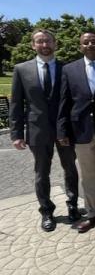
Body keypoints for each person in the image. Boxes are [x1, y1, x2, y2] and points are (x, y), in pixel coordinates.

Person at [9, 29, 79, 232]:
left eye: (48, 41)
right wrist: (16, 134)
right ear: (33, 45)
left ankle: (73, 204)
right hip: (37, 129)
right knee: (41, 172)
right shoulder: (21, 69)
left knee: (70, 168)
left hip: (63, 129)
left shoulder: (66, 68)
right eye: (40, 41)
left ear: (55, 44)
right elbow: (16, 104)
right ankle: (46, 211)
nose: (44, 44)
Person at [57, 32, 95, 234]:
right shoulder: (69, 69)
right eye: (86, 42)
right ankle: (93, 213)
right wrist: (62, 129)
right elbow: (64, 101)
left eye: (94, 41)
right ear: (80, 46)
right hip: (81, 130)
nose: (90, 44)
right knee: (88, 175)